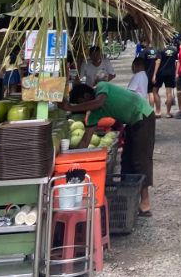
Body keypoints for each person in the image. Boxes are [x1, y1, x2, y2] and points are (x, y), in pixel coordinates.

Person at [63, 82, 155, 215]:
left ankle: (145, 203)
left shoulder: (102, 87)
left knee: (140, 159)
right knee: (127, 160)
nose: (83, 107)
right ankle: (128, 199)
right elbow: (85, 140)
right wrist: (71, 155)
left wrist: (71, 107)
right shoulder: (95, 113)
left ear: (87, 95)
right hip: (131, 121)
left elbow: (99, 102)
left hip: (143, 115)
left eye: (81, 102)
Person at [154, 39, 178, 118]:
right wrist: (176, 73)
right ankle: (168, 113)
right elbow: (176, 62)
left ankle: (158, 111)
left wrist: (154, 74)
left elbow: (158, 61)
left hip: (160, 73)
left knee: (155, 91)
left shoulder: (160, 50)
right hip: (170, 73)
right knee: (169, 93)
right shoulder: (174, 50)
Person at [140, 44, 160, 113]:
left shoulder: (144, 51)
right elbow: (158, 61)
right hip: (156, 74)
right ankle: (158, 110)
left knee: (150, 92)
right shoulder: (157, 51)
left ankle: (151, 110)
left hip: (147, 74)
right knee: (155, 92)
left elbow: (140, 63)